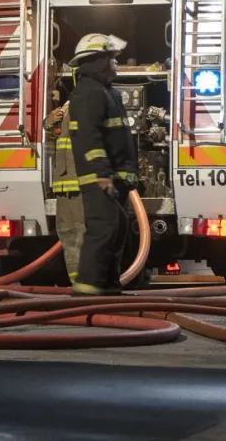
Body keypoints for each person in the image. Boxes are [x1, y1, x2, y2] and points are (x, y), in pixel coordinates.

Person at [68, 33, 139, 296]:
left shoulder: (107, 93)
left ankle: (108, 284)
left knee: (117, 229)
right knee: (104, 228)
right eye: (112, 57)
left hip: (115, 177)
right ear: (99, 61)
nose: (116, 63)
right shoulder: (89, 93)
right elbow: (89, 136)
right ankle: (87, 285)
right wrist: (101, 171)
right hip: (100, 177)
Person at [44, 101, 86, 284]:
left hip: (82, 184)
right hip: (63, 184)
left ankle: (89, 281)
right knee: (67, 234)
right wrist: (50, 121)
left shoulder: (92, 106)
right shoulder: (67, 110)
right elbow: (52, 137)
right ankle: (77, 282)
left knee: (84, 234)